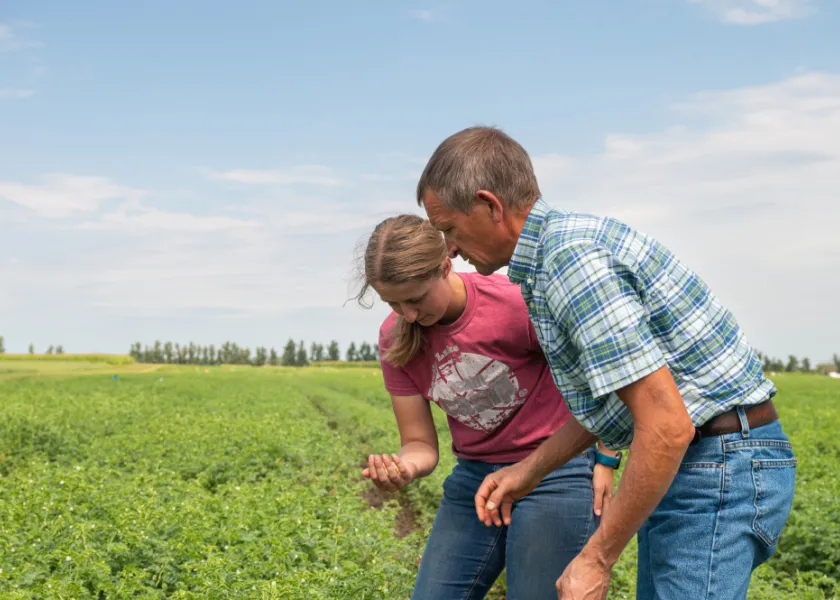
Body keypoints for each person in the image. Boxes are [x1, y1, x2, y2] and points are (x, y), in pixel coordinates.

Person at [415, 126, 797, 600]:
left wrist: (596, 557)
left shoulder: (570, 263)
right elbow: (619, 406)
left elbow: (666, 425)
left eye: (449, 228)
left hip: (718, 466)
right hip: (701, 461)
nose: (449, 248)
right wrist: (529, 471)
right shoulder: (554, 258)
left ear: (490, 205)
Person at [355, 214, 619, 600]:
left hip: (555, 473)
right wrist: (406, 467)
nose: (407, 314)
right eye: (392, 302)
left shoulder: (515, 303)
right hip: (475, 479)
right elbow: (419, 442)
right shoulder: (394, 336)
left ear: (445, 265)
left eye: (414, 298)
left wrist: (606, 459)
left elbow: (605, 380)